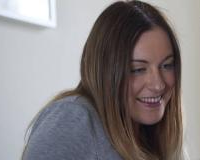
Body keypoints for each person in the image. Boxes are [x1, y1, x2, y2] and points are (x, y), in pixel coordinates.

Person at [22, 1, 185, 159]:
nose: (158, 85)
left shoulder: (152, 134)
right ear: (104, 71)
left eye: (167, 65)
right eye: (138, 69)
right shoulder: (74, 117)